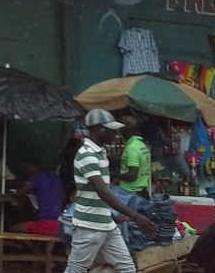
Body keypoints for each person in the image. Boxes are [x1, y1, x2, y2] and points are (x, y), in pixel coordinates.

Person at [65, 109, 157, 273]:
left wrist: (113, 215)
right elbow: (103, 192)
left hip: (106, 224)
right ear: (99, 129)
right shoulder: (87, 155)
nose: (116, 134)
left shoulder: (100, 153)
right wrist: (135, 216)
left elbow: (101, 194)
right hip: (89, 226)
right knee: (76, 269)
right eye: (111, 130)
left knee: (127, 268)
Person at [11, 160, 64, 237]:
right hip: (60, 223)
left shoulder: (37, 177)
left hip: (45, 222)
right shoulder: (56, 178)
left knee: (14, 228)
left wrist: (15, 191)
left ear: (32, 166)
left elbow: (20, 192)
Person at [116, 115, 151, 199]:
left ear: (127, 127)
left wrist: (114, 175)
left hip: (131, 194)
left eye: (120, 127)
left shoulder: (131, 147)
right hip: (141, 192)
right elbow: (129, 161)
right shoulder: (141, 145)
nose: (119, 130)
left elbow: (132, 176)